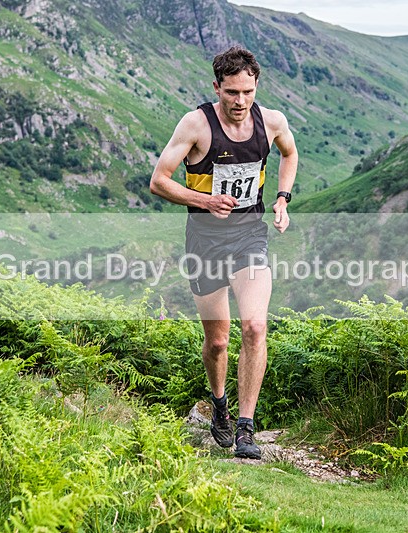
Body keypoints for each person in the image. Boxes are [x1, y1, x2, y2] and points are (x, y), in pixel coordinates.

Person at [149, 46, 298, 459]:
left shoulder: (272, 122)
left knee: (254, 326)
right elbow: (159, 181)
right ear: (217, 87)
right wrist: (205, 201)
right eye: (231, 92)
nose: (240, 101)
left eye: (247, 92)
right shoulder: (196, 124)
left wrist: (282, 198)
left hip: (249, 236)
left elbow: (290, 153)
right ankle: (219, 406)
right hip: (205, 241)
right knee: (218, 342)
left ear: (256, 86)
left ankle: (247, 429)